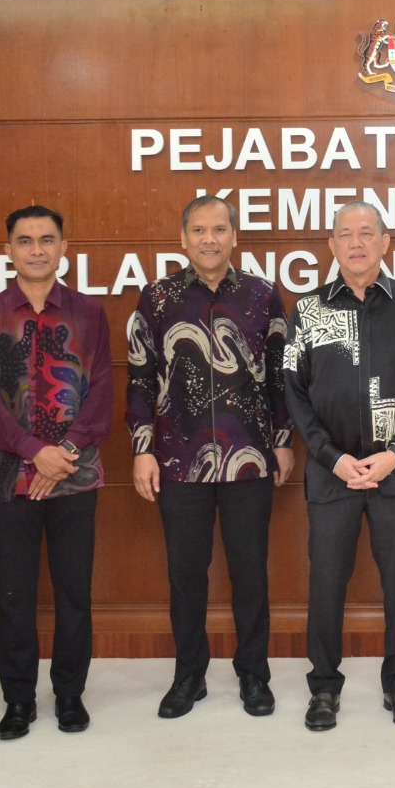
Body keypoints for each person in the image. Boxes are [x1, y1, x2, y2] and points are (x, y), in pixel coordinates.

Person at [127, 195, 293, 720]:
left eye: (219, 229)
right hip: (178, 461)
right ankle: (189, 676)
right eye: (199, 230)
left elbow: (280, 376)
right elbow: (139, 379)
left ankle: (254, 675)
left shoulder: (262, 295)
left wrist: (283, 440)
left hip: (250, 460)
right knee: (185, 575)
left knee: (250, 574)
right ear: (183, 239)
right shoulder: (158, 298)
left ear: (234, 236)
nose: (209, 239)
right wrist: (142, 449)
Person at [284, 201, 395, 732]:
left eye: (367, 233)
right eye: (346, 234)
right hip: (333, 471)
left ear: (385, 242)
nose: (356, 243)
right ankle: (324, 688)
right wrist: (333, 458)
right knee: (326, 582)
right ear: (331, 246)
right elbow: (294, 394)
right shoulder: (308, 309)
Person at [0, 205, 112, 740]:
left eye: (47, 239)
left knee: (74, 594)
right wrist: (34, 452)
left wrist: (61, 453)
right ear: (8, 250)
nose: (36, 250)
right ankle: (19, 701)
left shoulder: (90, 314)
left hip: (75, 477)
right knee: (15, 597)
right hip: (10, 480)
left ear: (63, 248)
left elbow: (101, 395)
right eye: (24, 241)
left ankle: (70, 695)